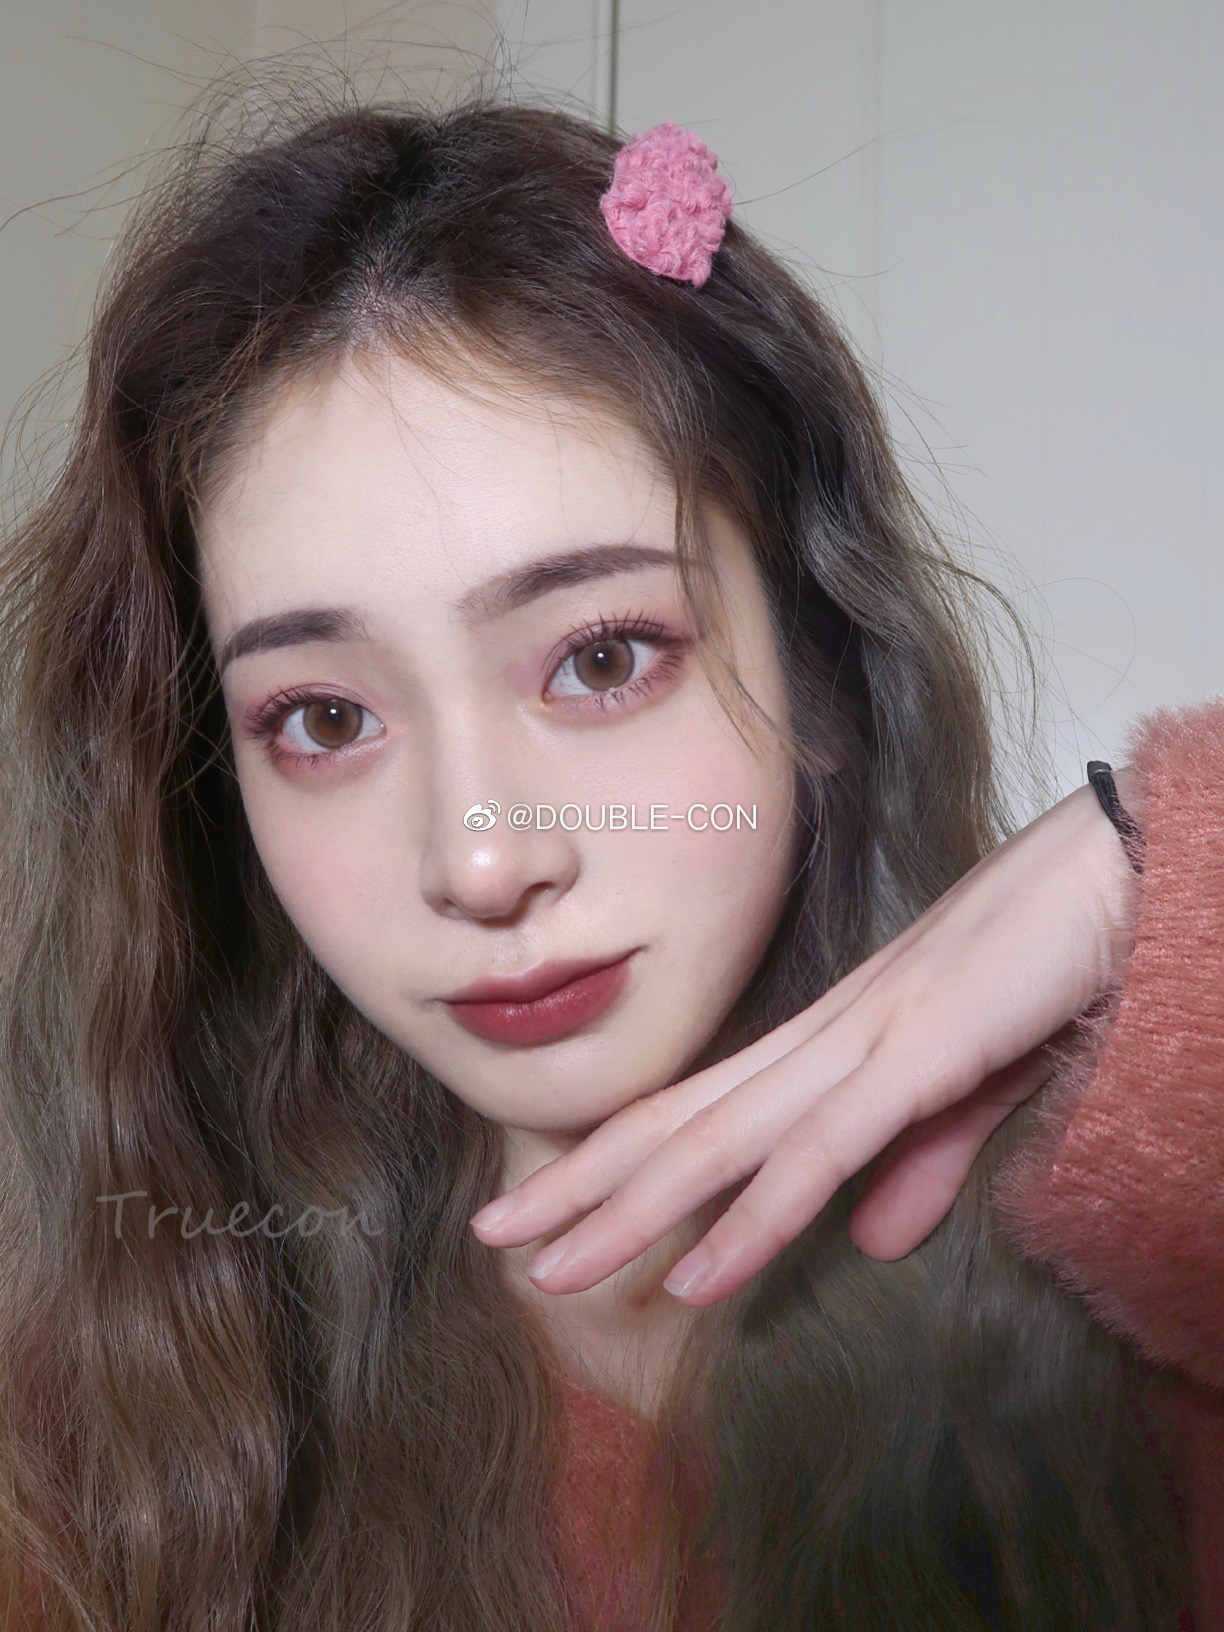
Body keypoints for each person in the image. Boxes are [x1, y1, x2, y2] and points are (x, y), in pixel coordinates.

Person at [0, 81, 1218, 1631]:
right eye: (323, 718)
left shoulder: (1148, 1278)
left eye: (598, 659)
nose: (481, 863)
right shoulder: (100, 1439)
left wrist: (1138, 870)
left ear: (822, 676)